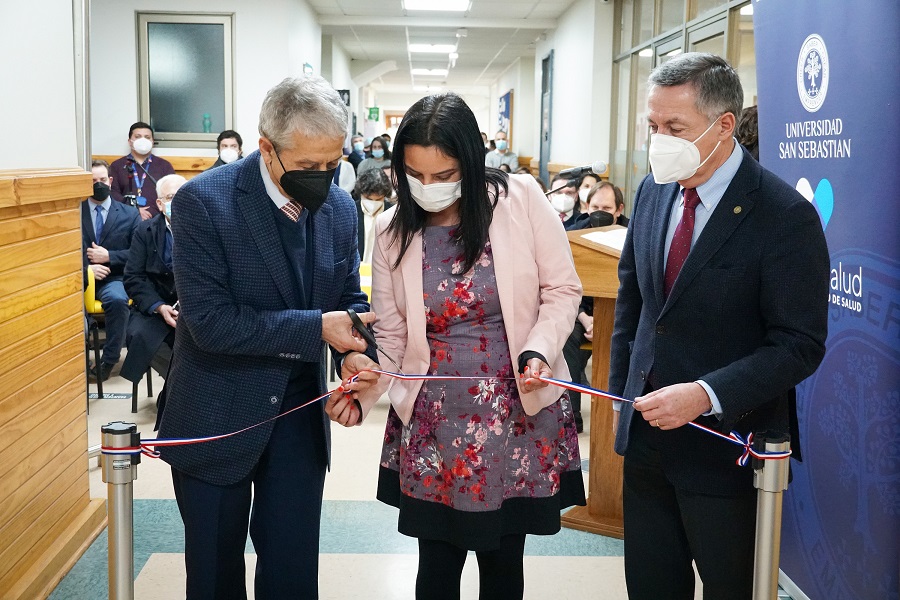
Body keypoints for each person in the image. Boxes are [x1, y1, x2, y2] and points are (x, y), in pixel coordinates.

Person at [350, 92, 586, 600]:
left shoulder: (520, 200)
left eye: (444, 175)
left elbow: (562, 290)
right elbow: (391, 335)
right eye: (416, 175)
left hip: (515, 410)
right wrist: (365, 386)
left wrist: (540, 349)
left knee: (503, 560)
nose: (429, 188)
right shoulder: (391, 230)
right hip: (435, 418)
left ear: (472, 165)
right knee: (436, 561)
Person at [609, 53, 829, 600]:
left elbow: (798, 345)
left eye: (674, 128)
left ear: (724, 125)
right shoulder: (653, 190)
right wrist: (622, 394)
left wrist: (706, 395)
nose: (659, 140)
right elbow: (634, 305)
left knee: (730, 587)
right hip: (647, 443)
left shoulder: (783, 216)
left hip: (727, 448)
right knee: (652, 586)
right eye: (653, 126)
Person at [155, 75, 381, 599]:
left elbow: (349, 297)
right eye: (307, 166)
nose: (322, 178)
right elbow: (209, 322)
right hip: (215, 411)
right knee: (214, 574)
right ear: (266, 149)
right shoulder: (203, 203)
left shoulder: (341, 209)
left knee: (292, 574)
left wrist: (354, 351)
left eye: (333, 164)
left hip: (298, 416)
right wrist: (317, 328)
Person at [121, 174, 186, 387]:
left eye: (183, 196)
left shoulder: (206, 227)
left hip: (193, 305)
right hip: (155, 305)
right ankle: (180, 389)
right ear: (160, 203)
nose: (177, 203)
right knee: (141, 336)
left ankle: (179, 393)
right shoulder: (144, 231)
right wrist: (159, 307)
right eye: (171, 197)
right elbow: (133, 277)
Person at [81, 159, 141, 382]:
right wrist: (88, 268)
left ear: (111, 180)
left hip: (113, 277)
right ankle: (76, 361)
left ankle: (108, 361)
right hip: (78, 278)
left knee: (118, 300)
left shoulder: (129, 214)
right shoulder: (74, 213)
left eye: (102, 180)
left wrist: (109, 256)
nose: (99, 184)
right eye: (93, 181)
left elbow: (137, 254)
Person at [109, 121, 176, 220]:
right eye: (138, 136)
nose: (143, 140)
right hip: (126, 219)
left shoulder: (164, 166)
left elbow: (171, 194)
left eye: (147, 137)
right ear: (130, 141)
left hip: (157, 220)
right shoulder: (117, 166)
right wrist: (135, 211)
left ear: (152, 141)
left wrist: (151, 213)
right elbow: (113, 194)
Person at [351, 168, 394, 264]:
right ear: (361, 193)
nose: (373, 203)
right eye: (368, 199)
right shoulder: (350, 211)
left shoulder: (393, 214)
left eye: (378, 199)